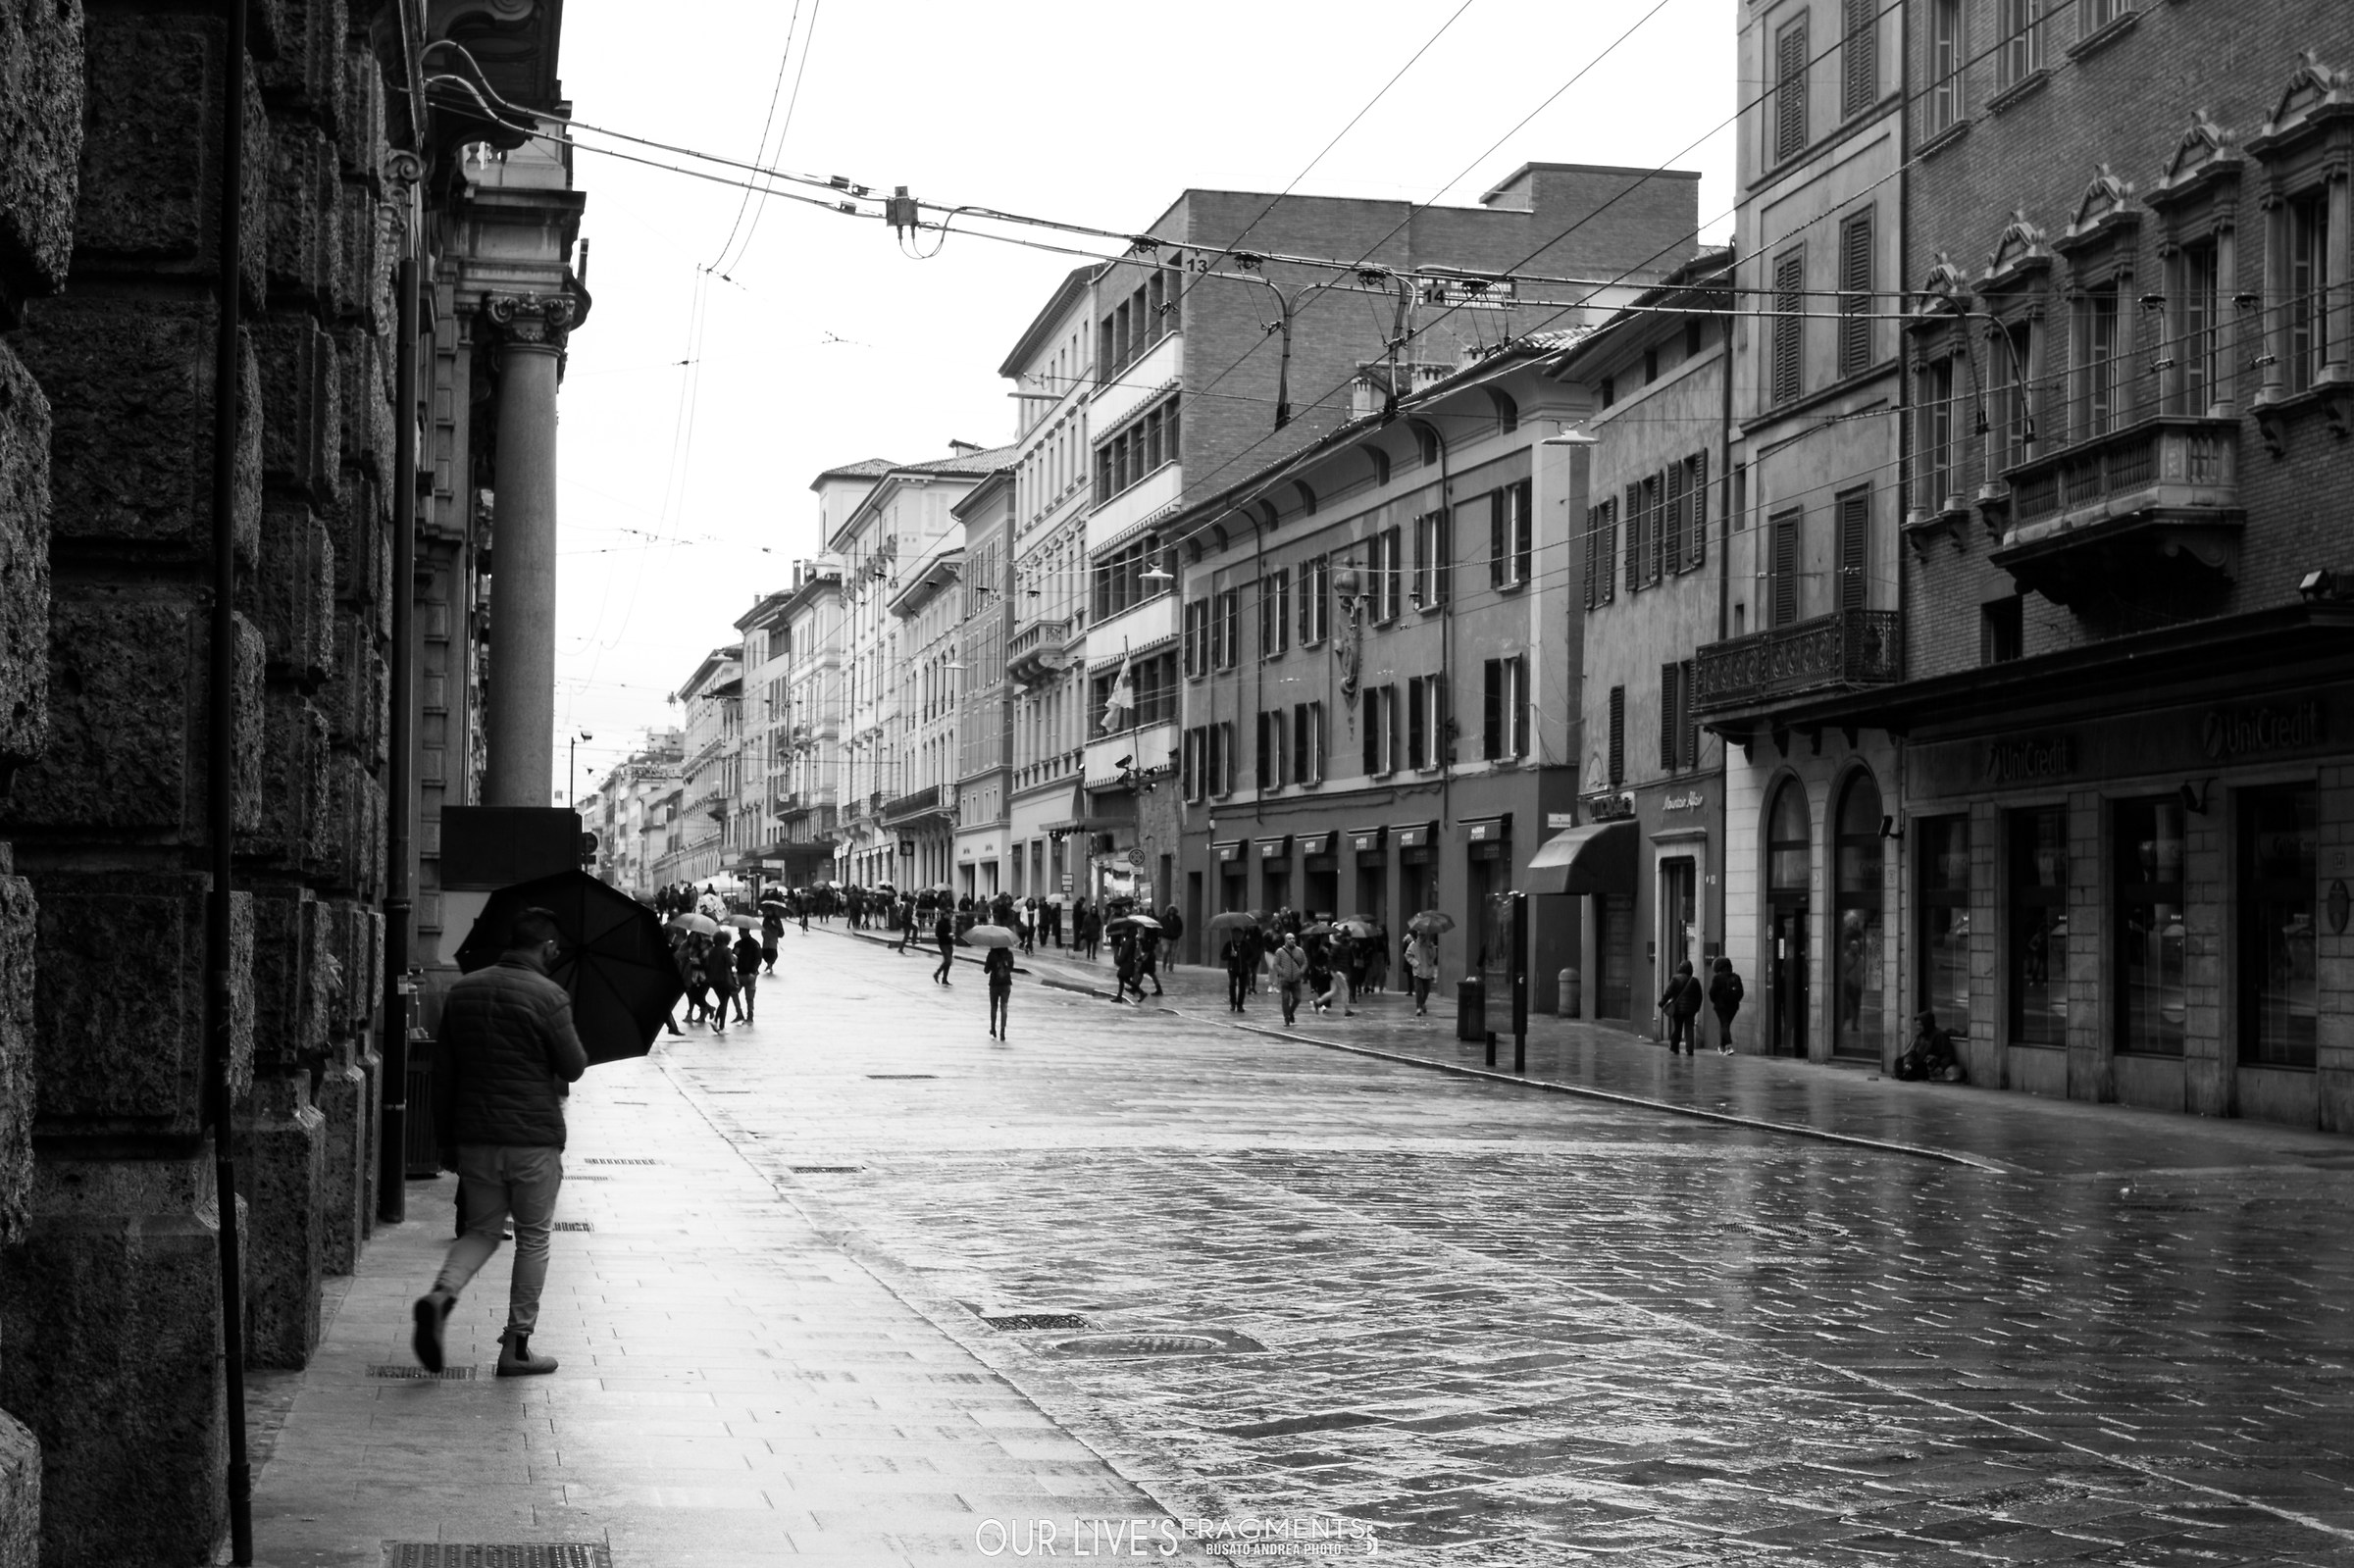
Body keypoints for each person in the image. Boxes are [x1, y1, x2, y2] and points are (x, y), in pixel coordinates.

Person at [412, 906, 588, 1379]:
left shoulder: (463, 990)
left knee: (482, 1231)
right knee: (533, 1239)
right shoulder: (550, 996)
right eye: (556, 949)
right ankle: (517, 1346)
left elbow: (445, 1073)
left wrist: (446, 1141)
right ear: (548, 947)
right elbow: (573, 1067)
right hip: (531, 1141)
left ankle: (441, 1295)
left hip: (475, 1137)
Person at [1898, 1010, 1966, 1082]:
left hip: (1930, 1065)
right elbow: (1912, 1053)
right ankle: (1907, 1072)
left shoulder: (1939, 1035)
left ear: (1927, 1024)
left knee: (1919, 1068)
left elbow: (1948, 1054)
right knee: (1899, 1062)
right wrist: (1907, 1063)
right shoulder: (1920, 1036)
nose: (1918, 1027)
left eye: (1920, 1025)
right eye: (1917, 1025)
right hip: (1918, 1061)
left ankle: (1909, 1074)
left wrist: (1941, 1067)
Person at [1657, 959, 1704, 1055]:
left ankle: (1675, 1047)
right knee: (1689, 1028)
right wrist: (1696, 1008)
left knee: (1678, 1028)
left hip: (1677, 1009)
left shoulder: (1675, 979)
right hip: (1690, 1010)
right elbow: (1699, 996)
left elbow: (1668, 993)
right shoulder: (1694, 981)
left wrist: (1662, 1003)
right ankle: (1689, 1049)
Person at [1708, 956, 1744, 1055]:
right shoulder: (1736, 977)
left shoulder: (1717, 978)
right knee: (1726, 1025)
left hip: (1721, 1006)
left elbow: (1712, 992)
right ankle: (1722, 1046)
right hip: (1733, 1006)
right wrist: (1735, 1000)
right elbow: (1741, 992)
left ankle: (1728, 1046)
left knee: (1724, 1025)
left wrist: (1716, 1001)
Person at [703, 933, 739, 1033]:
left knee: (722, 1001)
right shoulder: (726, 950)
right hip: (724, 978)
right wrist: (735, 958)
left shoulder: (712, 951)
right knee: (724, 1002)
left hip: (713, 980)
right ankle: (717, 1023)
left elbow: (707, 964)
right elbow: (731, 963)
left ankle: (718, 1024)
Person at [1270, 933, 1308, 1025]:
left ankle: (1290, 1012)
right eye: (1289, 939)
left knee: (1297, 998)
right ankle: (1286, 1018)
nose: (1292, 940)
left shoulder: (1300, 951)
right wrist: (1282, 972)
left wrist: (1301, 971)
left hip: (1296, 979)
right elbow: (1275, 964)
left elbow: (1305, 962)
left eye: (1293, 938)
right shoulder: (1280, 951)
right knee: (1285, 999)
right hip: (1285, 979)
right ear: (1285, 940)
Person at [984, 942, 1014, 1038]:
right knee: (1004, 1006)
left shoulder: (991, 955)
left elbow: (986, 971)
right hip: (1006, 983)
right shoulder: (1009, 954)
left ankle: (993, 1028)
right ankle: (1002, 1030)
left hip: (994, 983)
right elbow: (1011, 968)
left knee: (994, 1006)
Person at [1406, 930, 1440, 1017]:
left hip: (1427, 970)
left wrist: (1430, 949)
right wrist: (1415, 963)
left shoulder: (1430, 945)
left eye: (1423, 935)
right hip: (1418, 971)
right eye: (1420, 935)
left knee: (1427, 989)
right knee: (1419, 989)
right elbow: (1408, 955)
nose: (1421, 937)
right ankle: (1418, 1007)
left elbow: (1433, 956)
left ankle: (1422, 1003)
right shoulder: (1413, 945)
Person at [733, 928, 763, 1025]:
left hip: (750, 974)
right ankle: (739, 1013)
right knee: (733, 992)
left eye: (742, 932)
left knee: (749, 997)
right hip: (739, 973)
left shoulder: (754, 944)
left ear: (747, 932)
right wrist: (734, 953)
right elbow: (733, 958)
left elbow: (758, 959)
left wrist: (753, 971)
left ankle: (750, 1015)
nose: (740, 934)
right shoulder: (738, 944)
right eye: (740, 932)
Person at [1222, 933, 1254, 1013]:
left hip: (1243, 969)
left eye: (1239, 935)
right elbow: (1223, 956)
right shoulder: (1229, 944)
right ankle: (1233, 1003)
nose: (1238, 937)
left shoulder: (1246, 944)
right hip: (1233, 968)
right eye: (1236, 935)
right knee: (1232, 985)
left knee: (1242, 987)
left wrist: (1247, 962)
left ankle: (1240, 1005)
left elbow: (1251, 955)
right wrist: (1230, 955)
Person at [932, 905, 957, 986]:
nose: (951, 917)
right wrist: (947, 935)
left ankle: (944, 979)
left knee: (948, 962)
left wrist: (951, 936)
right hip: (943, 944)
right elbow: (937, 934)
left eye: (952, 915)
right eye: (950, 915)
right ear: (946, 914)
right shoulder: (940, 922)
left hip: (949, 943)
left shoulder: (948, 922)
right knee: (948, 960)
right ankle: (937, 973)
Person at [1139, 926, 1164, 998]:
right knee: (1143, 972)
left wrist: (1141, 941)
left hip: (1149, 957)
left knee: (1146, 973)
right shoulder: (1149, 937)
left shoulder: (1149, 938)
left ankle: (1159, 989)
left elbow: (1147, 948)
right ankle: (1136, 988)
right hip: (1149, 956)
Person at [1160, 903, 1185, 970]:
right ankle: (1164, 965)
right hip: (1165, 938)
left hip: (1174, 939)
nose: (1172, 911)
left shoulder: (1177, 919)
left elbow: (1180, 927)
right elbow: (1159, 927)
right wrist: (1162, 933)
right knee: (1165, 951)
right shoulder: (1163, 919)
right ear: (1168, 910)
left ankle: (1171, 968)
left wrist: (1178, 934)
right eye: (1170, 909)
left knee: (1173, 954)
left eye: (1173, 909)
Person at [760, 906, 783, 974]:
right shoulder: (766, 918)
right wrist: (764, 934)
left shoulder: (776, 919)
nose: (768, 912)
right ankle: (769, 964)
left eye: (770, 911)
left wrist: (774, 924)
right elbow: (763, 927)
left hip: (773, 938)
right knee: (765, 953)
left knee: (773, 953)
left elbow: (780, 928)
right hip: (767, 938)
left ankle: (770, 964)